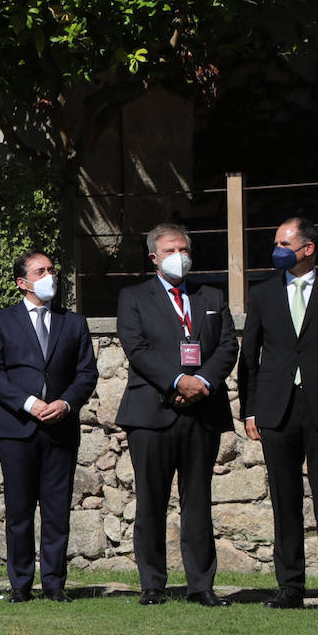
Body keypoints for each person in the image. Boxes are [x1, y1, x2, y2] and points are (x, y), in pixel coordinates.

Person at [239, 217, 318, 612]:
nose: (276, 249)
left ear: (307, 248)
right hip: (277, 410)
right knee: (284, 500)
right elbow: (250, 356)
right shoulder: (263, 294)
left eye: (284, 243)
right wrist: (250, 408)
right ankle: (289, 586)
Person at [116, 222, 238, 607]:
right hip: (152, 412)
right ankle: (152, 583)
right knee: (151, 501)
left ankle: (201, 584)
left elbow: (227, 345)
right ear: (154, 257)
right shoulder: (133, 297)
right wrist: (176, 382)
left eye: (183, 249)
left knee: (198, 500)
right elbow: (136, 348)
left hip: (202, 410)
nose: (178, 257)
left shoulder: (211, 295)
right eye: (170, 250)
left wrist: (200, 382)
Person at [0, 249, 97, 603]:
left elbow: (86, 373)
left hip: (60, 427)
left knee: (57, 508)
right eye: (40, 271)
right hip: (16, 427)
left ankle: (54, 582)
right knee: (18, 508)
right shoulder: (1, 321)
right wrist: (29, 403)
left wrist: (65, 403)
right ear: (22, 282)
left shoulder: (73, 322)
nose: (50, 276)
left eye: (52, 270)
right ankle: (20, 583)